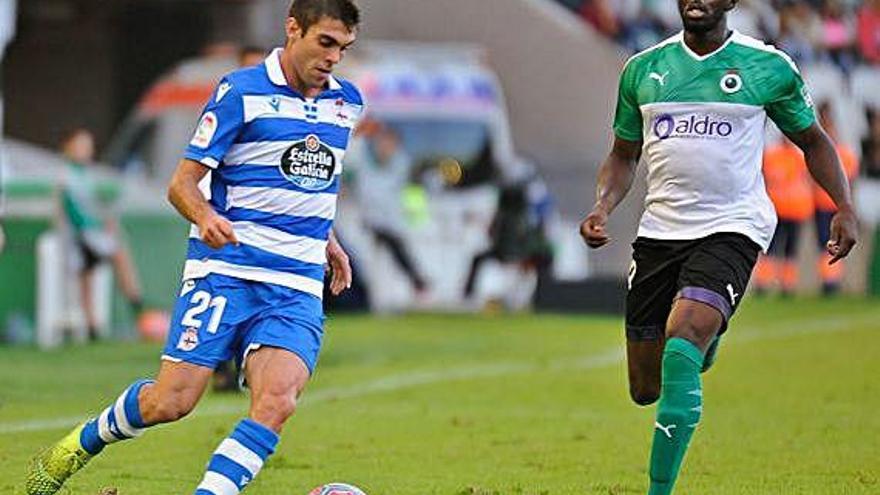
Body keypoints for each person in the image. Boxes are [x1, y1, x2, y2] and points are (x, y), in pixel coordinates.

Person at [26, 1, 364, 494]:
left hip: (294, 282)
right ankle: (81, 442)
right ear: (294, 29)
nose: (334, 58)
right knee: (171, 402)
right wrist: (206, 217)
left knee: (278, 401)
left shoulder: (346, 103)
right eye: (326, 43)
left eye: (344, 48)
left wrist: (328, 239)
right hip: (226, 270)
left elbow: (312, 183)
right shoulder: (240, 92)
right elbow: (182, 184)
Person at [579, 1, 858, 494]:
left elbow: (813, 141)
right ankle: (708, 336)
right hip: (660, 232)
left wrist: (843, 206)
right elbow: (623, 154)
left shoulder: (767, 67)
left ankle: (658, 490)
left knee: (684, 332)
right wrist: (603, 205)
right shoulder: (643, 70)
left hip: (734, 225)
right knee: (646, 388)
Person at [59, 128, 144, 340]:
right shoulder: (66, 176)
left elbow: (93, 205)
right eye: (80, 145)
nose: (85, 150)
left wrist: (105, 221)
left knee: (89, 275)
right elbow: (73, 210)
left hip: (89, 234)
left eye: (87, 146)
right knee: (108, 260)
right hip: (81, 236)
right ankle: (135, 306)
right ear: (68, 148)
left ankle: (96, 325)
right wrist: (97, 226)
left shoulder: (87, 175)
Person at [351, 122, 428, 295]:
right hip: (367, 224)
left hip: (394, 223)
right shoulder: (364, 165)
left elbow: (415, 196)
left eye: (388, 142)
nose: (384, 146)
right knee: (370, 264)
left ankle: (417, 284)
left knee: (394, 255)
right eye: (381, 141)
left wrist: (416, 218)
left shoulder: (404, 167)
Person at [753, 137, 814, 296]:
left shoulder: (798, 156)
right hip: (776, 210)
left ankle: (787, 285)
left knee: (790, 249)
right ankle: (763, 283)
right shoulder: (772, 156)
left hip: (795, 210)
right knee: (770, 247)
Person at [812, 100, 858, 294]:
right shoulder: (817, 151)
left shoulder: (845, 154)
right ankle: (829, 280)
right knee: (824, 243)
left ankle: (832, 281)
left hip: (835, 206)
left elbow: (850, 179)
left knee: (833, 243)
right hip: (820, 204)